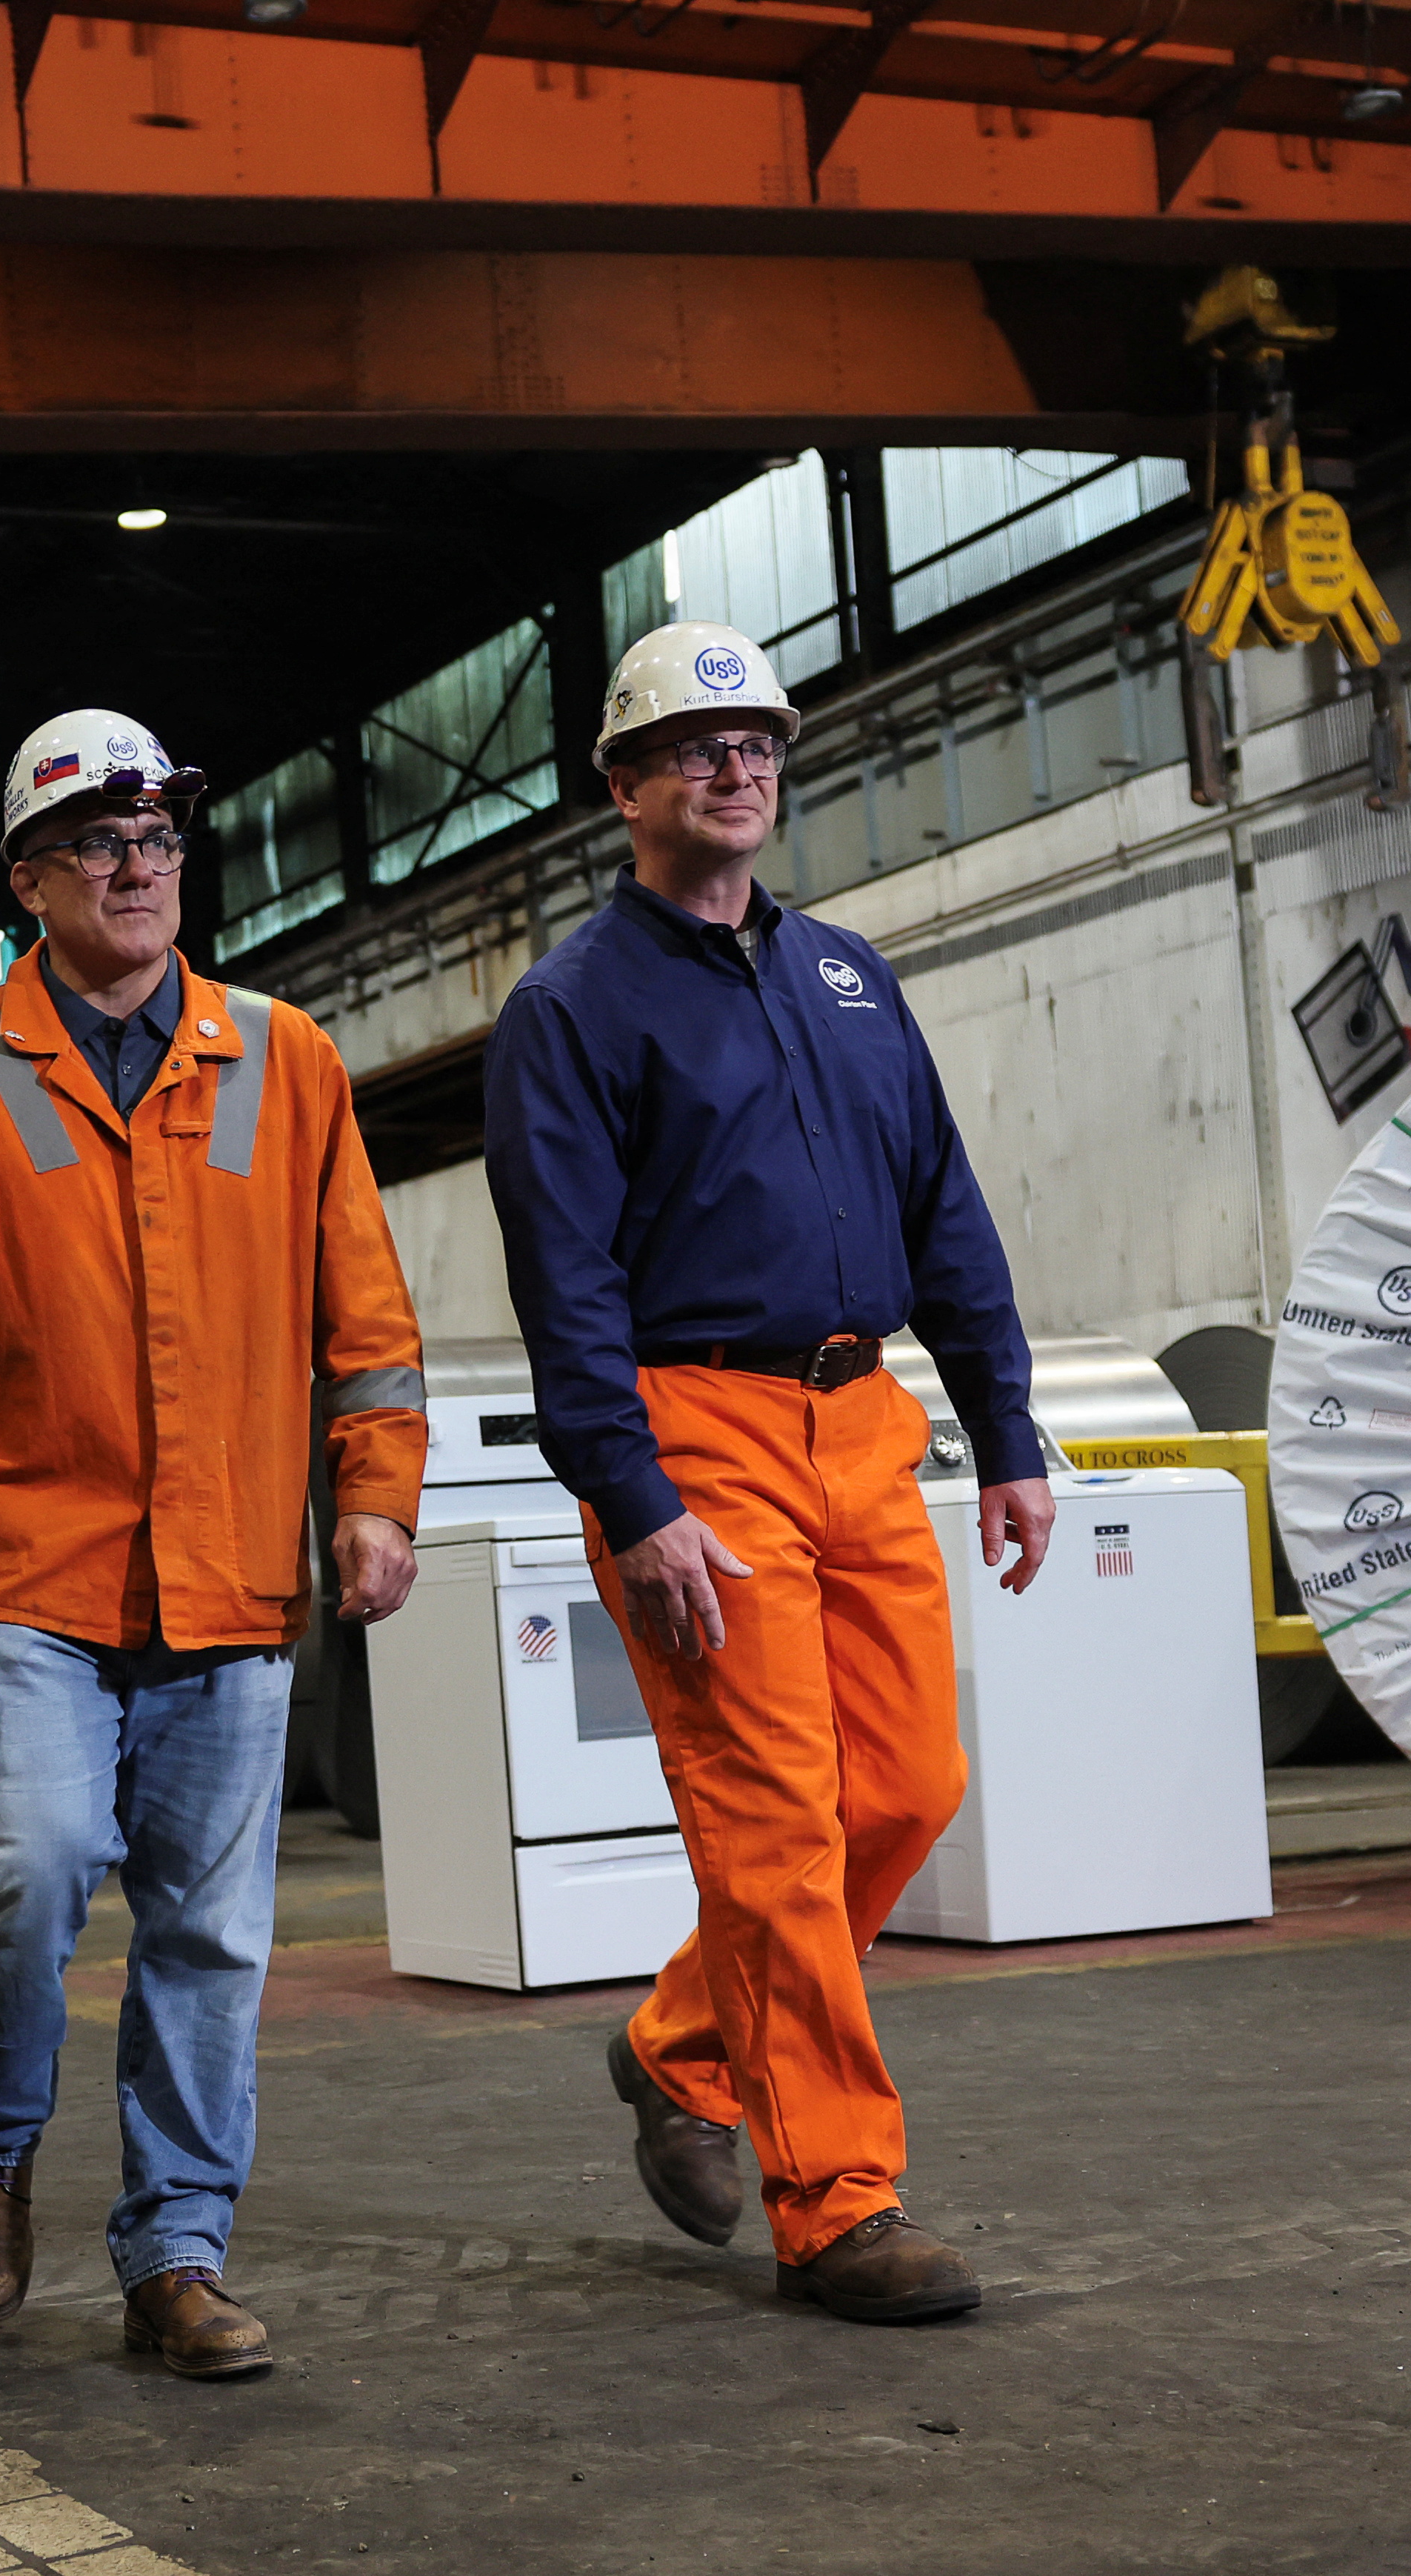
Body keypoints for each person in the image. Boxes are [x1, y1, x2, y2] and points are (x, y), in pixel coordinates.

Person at [0, 708, 426, 2383]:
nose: (140, 864)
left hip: (229, 1570)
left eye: (160, 836)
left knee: (215, 1935)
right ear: (30, 879)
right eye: (100, 841)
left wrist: (376, 1491)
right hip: (26, 1566)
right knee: (24, 1868)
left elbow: (365, 1320)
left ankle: (177, 2249)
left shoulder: (279, 1056)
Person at [482, 621, 1054, 2324]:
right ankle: (838, 2196)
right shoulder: (572, 1010)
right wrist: (635, 1494)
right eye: (696, 745)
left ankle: (677, 2041)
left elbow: (942, 1203)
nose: (736, 766)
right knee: (777, 1829)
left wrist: (1007, 1430)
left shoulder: (851, 979)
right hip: (697, 1434)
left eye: (759, 742)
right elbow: (563, 1275)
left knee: (906, 1786)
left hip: (859, 1418)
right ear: (625, 786)